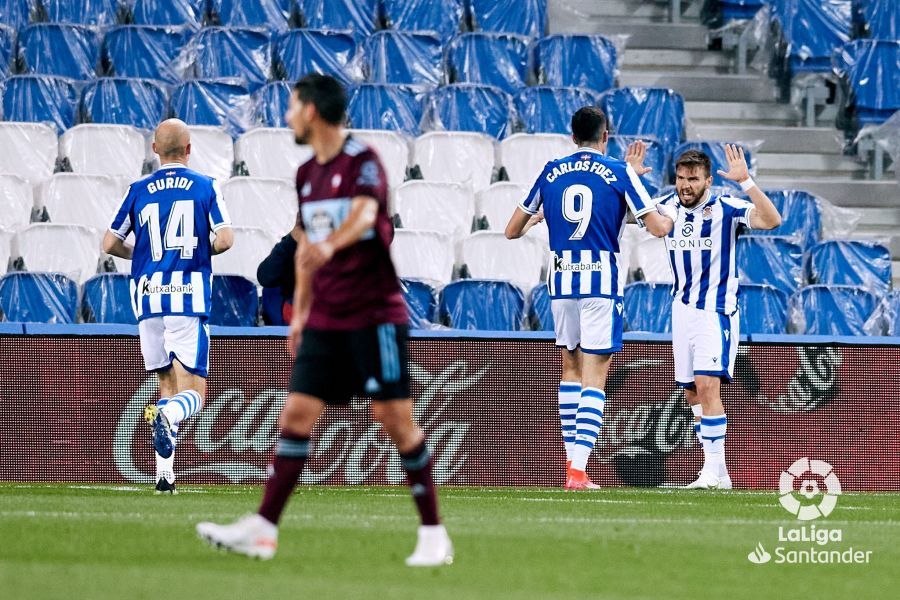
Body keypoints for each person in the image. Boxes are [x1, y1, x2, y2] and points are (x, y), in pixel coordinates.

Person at [196, 74, 452, 566]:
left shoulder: (362, 160)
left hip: (374, 315)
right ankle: (264, 529)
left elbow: (365, 214)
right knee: (295, 415)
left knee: (395, 420)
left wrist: (332, 244)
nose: (288, 116)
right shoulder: (305, 175)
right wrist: (301, 315)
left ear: (311, 111)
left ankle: (433, 534)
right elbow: (305, 251)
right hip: (326, 318)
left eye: (292, 106)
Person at [505, 107, 674, 490]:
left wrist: (541, 218)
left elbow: (511, 230)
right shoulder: (619, 171)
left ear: (572, 137)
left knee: (570, 369)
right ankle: (578, 471)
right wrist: (665, 212)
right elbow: (658, 228)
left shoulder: (551, 171)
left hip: (562, 281)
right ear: (606, 136)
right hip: (600, 284)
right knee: (596, 375)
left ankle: (573, 465)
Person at [102, 118, 234, 494]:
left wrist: (144, 256)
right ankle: (169, 415)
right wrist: (197, 251)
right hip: (186, 295)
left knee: (166, 383)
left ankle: (165, 476)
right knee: (194, 392)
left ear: (155, 149)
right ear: (189, 149)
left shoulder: (138, 189)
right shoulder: (206, 185)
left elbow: (109, 244)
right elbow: (225, 239)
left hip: (147, 297)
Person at [652, 146, 781, 489]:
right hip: (681, 310)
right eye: (681, 178)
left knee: (708, 385)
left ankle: (709, 473)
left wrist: (747, 182)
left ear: (708, 180)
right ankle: (720, 473)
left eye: (693, 179)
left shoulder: (726, 207)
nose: (686, 185)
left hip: (715, 310)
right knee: (692, 393)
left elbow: (772, 220)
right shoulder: (665, 208)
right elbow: (623, 215)